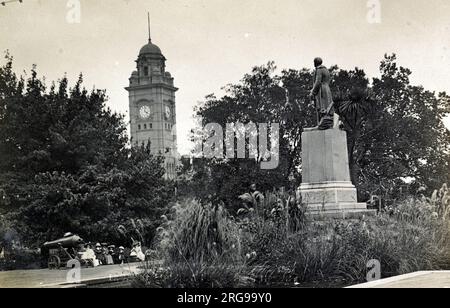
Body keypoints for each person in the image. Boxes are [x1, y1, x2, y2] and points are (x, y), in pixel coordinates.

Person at [310, 57, 335, 130]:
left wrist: (313, 92)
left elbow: (318, 82)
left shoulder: (319, 69)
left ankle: (322, 124)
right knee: (327, 106)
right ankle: (324, 123)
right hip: (327, 89)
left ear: (315, 63)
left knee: (322, 106)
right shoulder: (326, 70)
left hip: (321, 90)